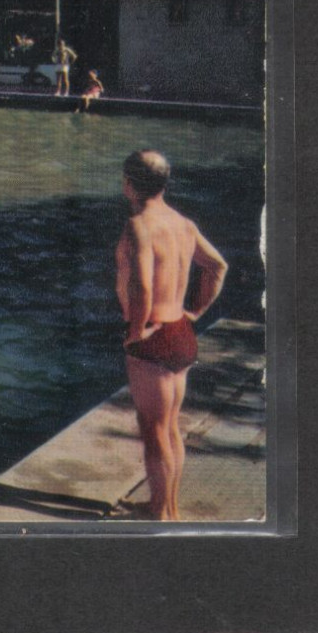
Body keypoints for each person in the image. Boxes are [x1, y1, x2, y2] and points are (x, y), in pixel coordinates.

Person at [114, 150, 228, 521]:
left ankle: (162, 517)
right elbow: (217, 267)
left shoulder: (140, 225)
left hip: (154, 337)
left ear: (129, 185)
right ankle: (168, 506)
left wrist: (135, 332)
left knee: (153, 431)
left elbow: (142, 287)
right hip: (179, 330)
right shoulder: (184, 223)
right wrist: (195, 311)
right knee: (170, 428)